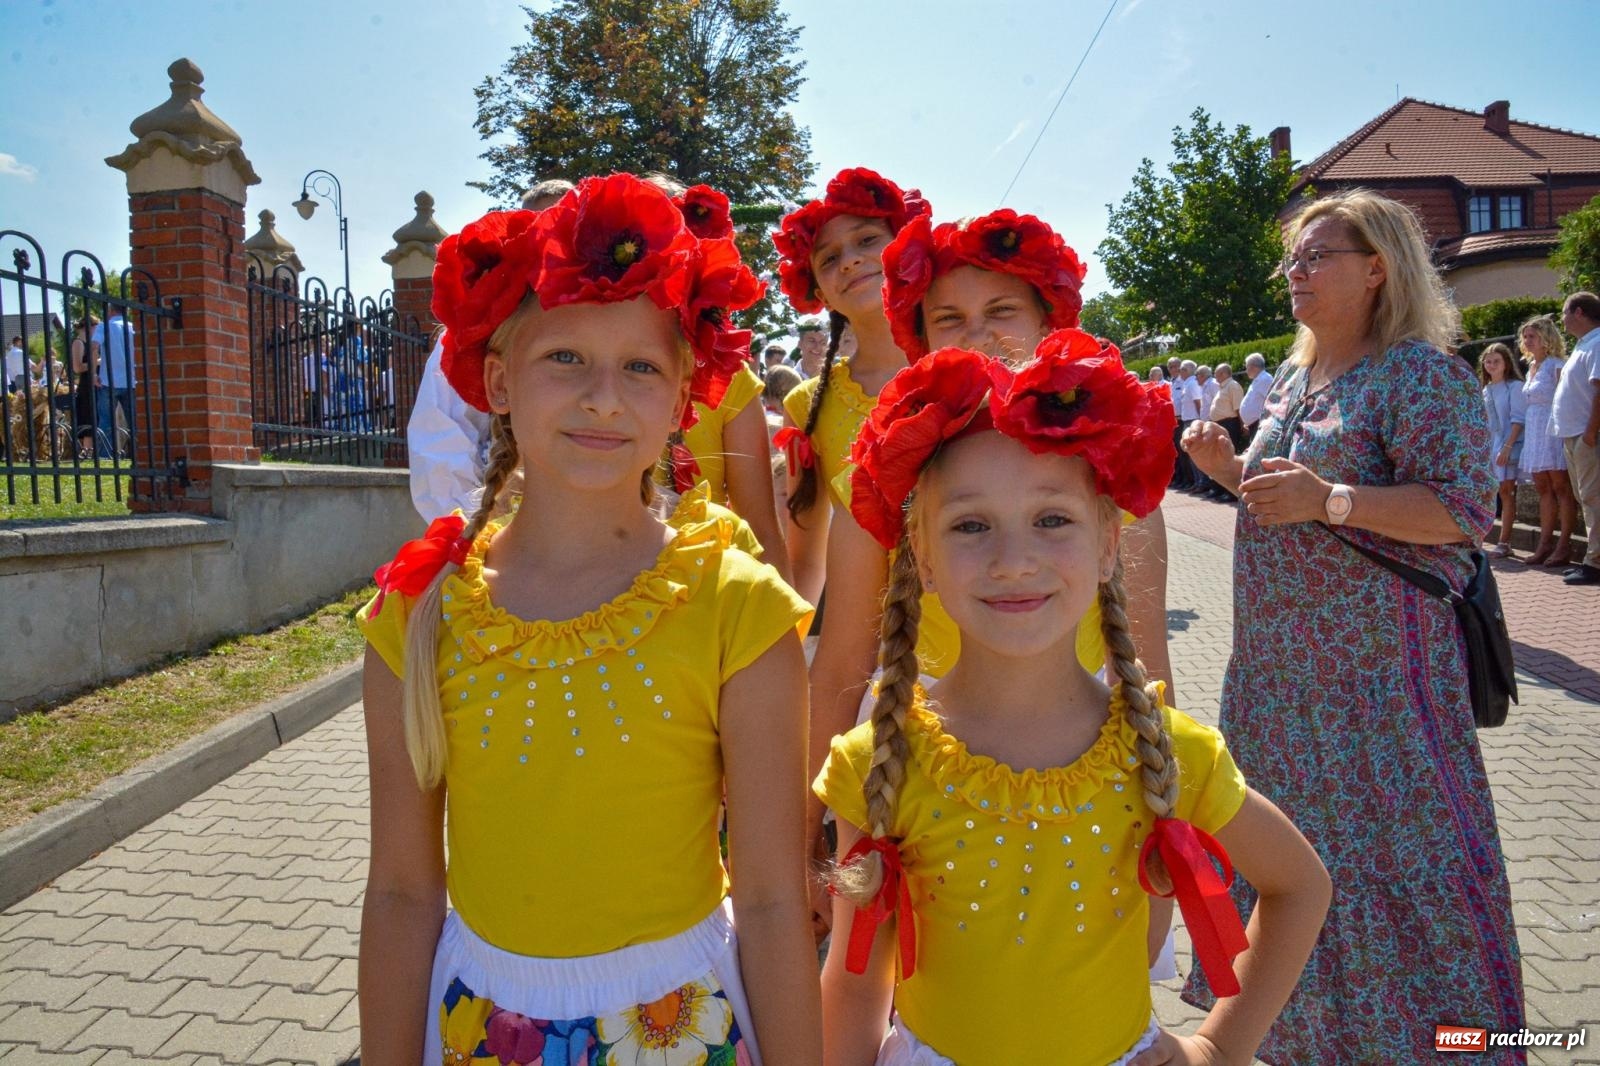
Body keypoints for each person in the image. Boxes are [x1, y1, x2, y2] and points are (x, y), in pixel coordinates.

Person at [356, 176, 821, 1065]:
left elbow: (767, 901)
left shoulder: (739, 606)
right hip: (481, 1029)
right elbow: (403, 895)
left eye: (642, 366)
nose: (604, 397)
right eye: (565, 357)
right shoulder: (418, 614)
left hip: (686, 1029)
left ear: (686, 395)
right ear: (497, 380)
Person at [818, 336, 1329, 1066]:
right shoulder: (878, 761)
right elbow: (856, 981)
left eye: (1052, 519)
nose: (1014, 559)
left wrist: (1218, 1047)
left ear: (1108, 545)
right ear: (923, 559)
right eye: (971, 525)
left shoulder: (1170, 750)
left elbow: (1299, 885)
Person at [1182, 189, 1525, 1062]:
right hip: (1281, 685)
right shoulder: (1300, 376)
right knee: (1292, 868)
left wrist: (1329, 497)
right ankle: (1310, 1040)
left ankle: (1442, 1044)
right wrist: (1231, 475)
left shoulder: (1419, 374)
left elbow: (1463, 511)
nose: (1293, 272)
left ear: (1377, 269)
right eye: (1291, 258)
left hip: (1376, 695)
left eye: (1314, 256)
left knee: (1400, 871)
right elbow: (1289, 511)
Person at [772, 167, 931, 606]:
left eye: (866, 241)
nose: (849, 261)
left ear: (906, 246)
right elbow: (806, 562)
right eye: (828, 258)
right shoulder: (805, 406)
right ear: (818, 291)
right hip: (881, 655)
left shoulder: (977, 369)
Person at [407, 179, 575, 523]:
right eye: (542, 230)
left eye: (568, 228)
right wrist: (477, 532)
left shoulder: (614, 323)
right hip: (507, 524)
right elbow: (441, 443)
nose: (555, 247)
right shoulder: (470, 338)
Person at [1515, 314, 1576, 568]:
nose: (1527, 340)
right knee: (1543, 488)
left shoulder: (1556, 365)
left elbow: (1568, 399)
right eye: (1525, 336)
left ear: (1546, 338)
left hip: (1553, 428)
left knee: (1562, 487)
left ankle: (1564, 546)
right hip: (1535, 429)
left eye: (1532, 336)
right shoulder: (1531, 367)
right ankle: (1544, 544)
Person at [1553, 292, 1600, 585]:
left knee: (1593, 498)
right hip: (1575, 436)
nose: (1562, 318)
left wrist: (1590, 434)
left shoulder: (1596, 343)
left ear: (1579, 312)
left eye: (1564, 311)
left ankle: (1595, 563)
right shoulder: (1584, 345)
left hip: (1586, 437)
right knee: (1587, 498)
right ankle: (1592, 558)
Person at [1478, 342, 1526, 558]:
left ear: (1506, 363)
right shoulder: (1486, 389)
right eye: (1488, 361)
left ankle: (1504, 541)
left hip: (1506, 444)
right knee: (1487, 493)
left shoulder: (1514, 386)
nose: (1491, 365)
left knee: (1506, 492)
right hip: (1490, 446)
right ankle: (1481, 537)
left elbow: (1518, 420)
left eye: (1496, 361)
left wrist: (1507, 447)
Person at [91, 312, 137, 460]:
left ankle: (105, 456)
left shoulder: (104, 326)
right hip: (131, 380)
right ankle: (139, 453)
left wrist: (93, 373)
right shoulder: (132, 327)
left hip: (108, 380)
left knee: (106, 420)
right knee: (135, 420)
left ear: (110, 311)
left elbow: (93, 347)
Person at [68, 316, 99, 456]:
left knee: (94, 417)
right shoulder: (78, 343)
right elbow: (77, 367)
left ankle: (90, 451)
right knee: (87, 417)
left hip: (94, 384)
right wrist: (97, 362)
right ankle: (87, 452)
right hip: (85, 385)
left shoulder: (91, 343)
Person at [1237, 352, 1274, 441]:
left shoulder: (1265, 379)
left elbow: (1273, 401)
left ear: (1253, 366)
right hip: (1254, 425)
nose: (1246, 371)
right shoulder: (1258, 380)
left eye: (1247, 367)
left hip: (1260, 424)